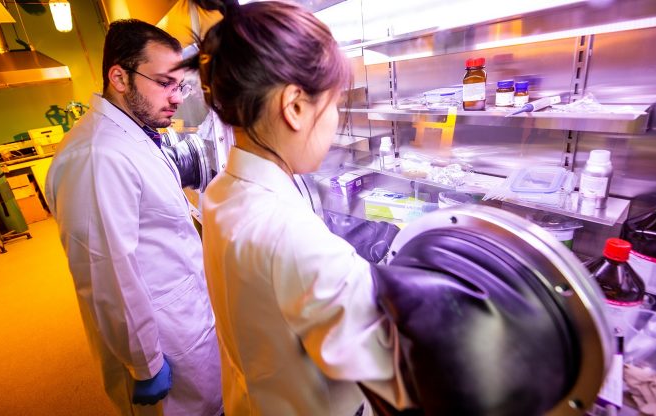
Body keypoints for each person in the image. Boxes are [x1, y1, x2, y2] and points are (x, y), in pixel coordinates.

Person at [180, 1, 412, 415]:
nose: (337, 117)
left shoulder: (220, 192)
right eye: (336, 102)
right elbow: (395, 370)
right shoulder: (293, 238)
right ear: (295, 107)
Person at [44, 19, 222, 416]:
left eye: (180, 85)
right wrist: (145, 365)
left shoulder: (135, 133)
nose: (176, 98)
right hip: (158, 343)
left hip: (182, 317)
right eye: (163, 83)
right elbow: (105, 270)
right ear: (119, 77)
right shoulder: (98, 156)